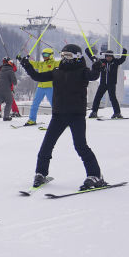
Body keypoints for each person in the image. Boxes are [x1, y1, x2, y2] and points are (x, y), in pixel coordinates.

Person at [19, 45, 109, 191]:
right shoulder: (57, 72)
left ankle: (95, 175)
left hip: (76, 115)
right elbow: (37, 76)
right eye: (63, 55)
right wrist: (27, 66)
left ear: (77, 56)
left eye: (68, 55)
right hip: (58, 115)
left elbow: (93, 76)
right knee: (47, 145)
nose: (65, 58)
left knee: (81, 146)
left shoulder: (82, 71)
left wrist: (97, 66)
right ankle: (41, 173)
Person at [88, 46, 127, 119]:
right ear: (105, 56)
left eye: (110, 56)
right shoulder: (101, 62)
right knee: (97, 97)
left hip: (111, 84)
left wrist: (124, 52)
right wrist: (88, 51)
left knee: (113, 98)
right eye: (107, 56)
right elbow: (93, 58)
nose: (109, 58)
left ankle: (117, 113)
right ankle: (94, 112)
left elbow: (122, 59)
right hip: (103, 84)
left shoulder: (115, 62)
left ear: (112, 56)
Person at [25, 48, 58, 126]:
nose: (44, 57)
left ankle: (61, 120)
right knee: (35, 104)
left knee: (55, 105)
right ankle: (32, 120)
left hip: (50, 87)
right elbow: (34, 64)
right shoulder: (41, 64)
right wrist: (24, 60)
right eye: (43, 55)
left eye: (46, 55)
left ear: (51, 55)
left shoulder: (55, 63)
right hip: (40, 87)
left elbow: (63, 63)